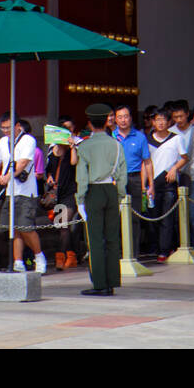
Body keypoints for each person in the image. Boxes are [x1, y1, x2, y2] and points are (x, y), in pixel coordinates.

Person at [75, 103, 127, 297]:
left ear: (89, 123)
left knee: (96, 240)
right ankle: (112, 281)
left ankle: (99, 284)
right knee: (112, 238)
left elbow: (81, 177)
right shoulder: (116, 144)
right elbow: (122, 174)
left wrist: (80, 200)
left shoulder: (85, 145)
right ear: (107, 121)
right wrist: (120, 195)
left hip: (93, 192)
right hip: (111, 190)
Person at [0, 115, 47, 274]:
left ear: (17, 125)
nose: (5, 131)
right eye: (3, 128)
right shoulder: (3, 142)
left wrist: (8, 176)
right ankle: (18, 261)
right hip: (10, 192)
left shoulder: (28, 140)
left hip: (26, 191)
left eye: (8, 127)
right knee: (14, 228)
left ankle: (39, 255)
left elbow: (23, 163)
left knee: (25, 227)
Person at [146, 107, 187, 262]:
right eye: (157, 119)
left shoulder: (176, 138)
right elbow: (146, 162)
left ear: (169, 122)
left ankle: (164, 250)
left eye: (164, 119)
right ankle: (158, 246)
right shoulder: (147, 139)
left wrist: (174, 168)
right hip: (153, 183)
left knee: (167, 217)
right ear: (153, 122)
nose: (161, 123)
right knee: (154, 217)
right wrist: (147, 183)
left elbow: (184, 157)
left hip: (169, 181)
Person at [113, 103, 153, 260]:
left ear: (130, 118)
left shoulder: (140, 137)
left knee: (134, 218)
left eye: (126, 116)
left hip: (135, 178)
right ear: (115, 120)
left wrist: (150, 185)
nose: (123, 120)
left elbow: (147, 161)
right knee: (116, 217)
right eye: (120, 117)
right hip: (116, 179)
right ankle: (118, 253)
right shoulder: (111, 137)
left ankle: (133, 253)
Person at [170, 101, 194, 253]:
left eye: (181, 116)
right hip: (177, 176)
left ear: (187, 114)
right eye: (175, 117)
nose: (179, 120)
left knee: (193, 213)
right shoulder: (171, 131)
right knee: (178, 213)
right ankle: (182, 244)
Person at [44, 118, 80, 270]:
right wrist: (50, 177)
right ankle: (71, 255)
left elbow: (74, 163)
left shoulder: (74, 149)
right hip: (57, 194)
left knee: (64, 223)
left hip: (71, 193)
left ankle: (61, 256)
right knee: (60, 226)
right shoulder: (52, 152)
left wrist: (72, 147)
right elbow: (48, 171)